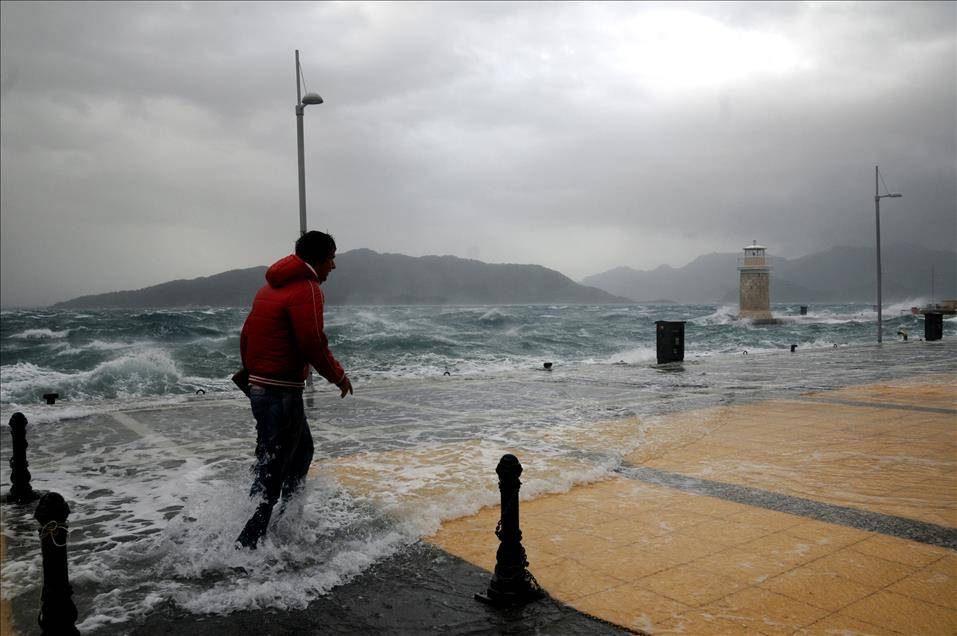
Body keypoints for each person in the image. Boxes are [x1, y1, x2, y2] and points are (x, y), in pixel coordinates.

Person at [235, 230, 353, 549]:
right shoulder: (307, 289)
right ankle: (247, 544)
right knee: (275, 466)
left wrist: (253, 373)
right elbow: (312, 342)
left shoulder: (269, 287)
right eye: (332, 258)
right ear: (319, 258)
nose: (334, 266)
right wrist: (338, 376)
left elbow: (247, 334)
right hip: (281, 392)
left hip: (262, 387)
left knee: (294, 453)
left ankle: (286, 522)